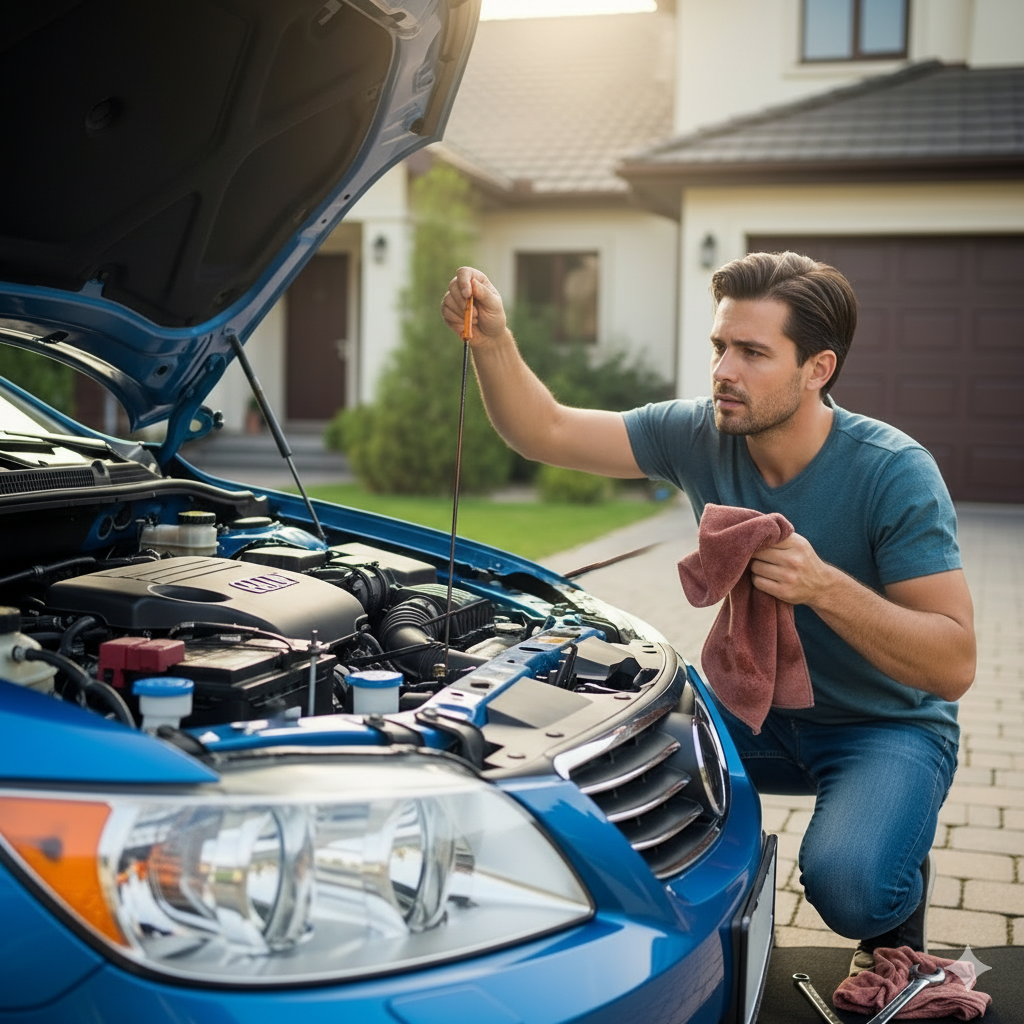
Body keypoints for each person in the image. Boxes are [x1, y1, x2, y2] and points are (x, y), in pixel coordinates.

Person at [441, 253, 976, 972]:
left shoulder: (893, 471)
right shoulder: (701, 432)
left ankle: (894, 879)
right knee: (585, 767)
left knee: (850, 884)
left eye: (752, 352)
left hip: (883, 725)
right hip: (751, 709)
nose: (724, 370)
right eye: (720, 346)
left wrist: (824, 587)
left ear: (817, 369)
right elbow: (548, 431)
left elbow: (952, 664)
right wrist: (493, 341)